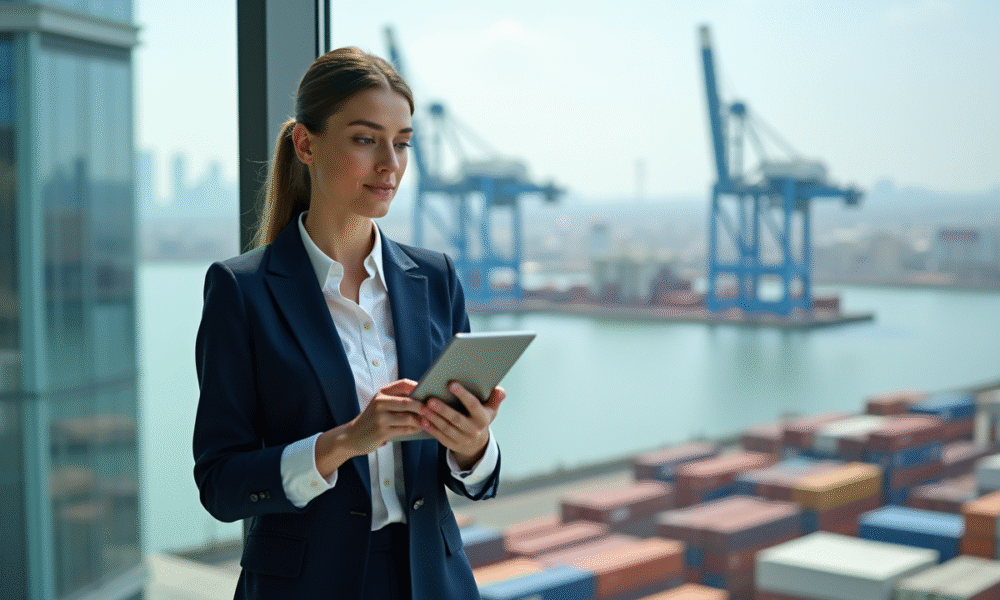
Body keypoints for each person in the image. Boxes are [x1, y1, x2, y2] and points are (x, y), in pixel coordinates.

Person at [192, 47, 504, 600]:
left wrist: (474, 445)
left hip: (433, 582)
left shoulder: (436, 278)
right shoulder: (242, 291)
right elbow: (221, 485)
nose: (390, 164)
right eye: (365, 139)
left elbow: (473, 478)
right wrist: (344, 441)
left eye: (402, 143)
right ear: (306, 145)